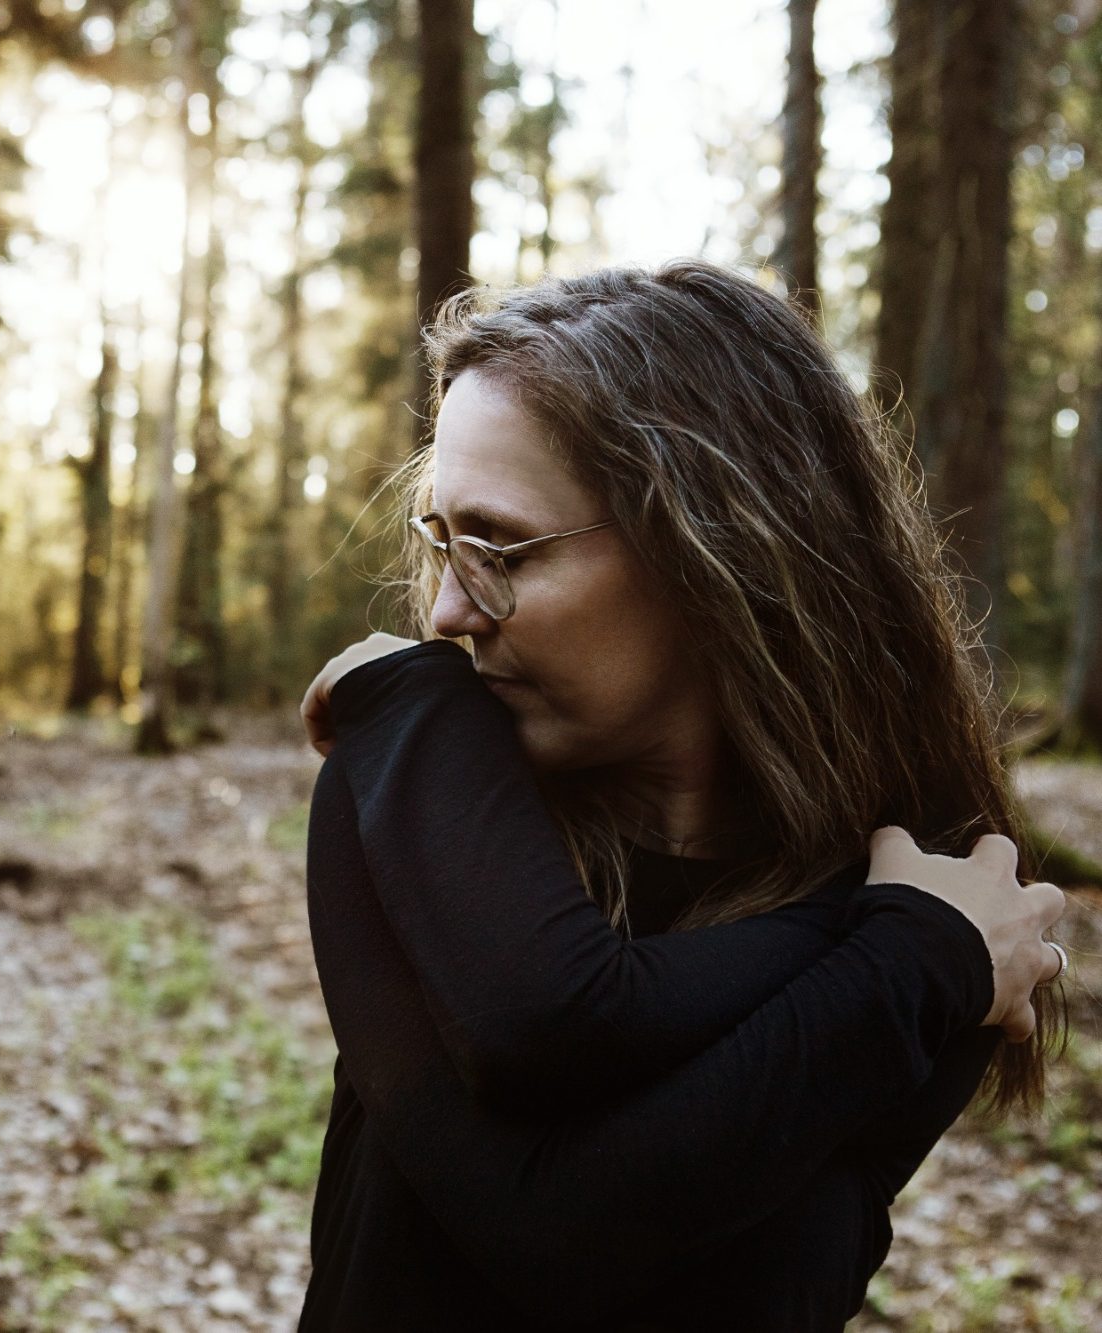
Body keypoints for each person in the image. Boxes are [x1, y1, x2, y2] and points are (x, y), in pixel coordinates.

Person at [296, 260, 1067, 1331]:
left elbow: (645, 1234)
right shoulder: (413, 787)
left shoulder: (941, 909)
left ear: (718, 546)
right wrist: (902, 962)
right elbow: (542, 1229)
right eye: (439, 539)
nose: (443, 611)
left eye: (497, 547)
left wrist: (909, 956)